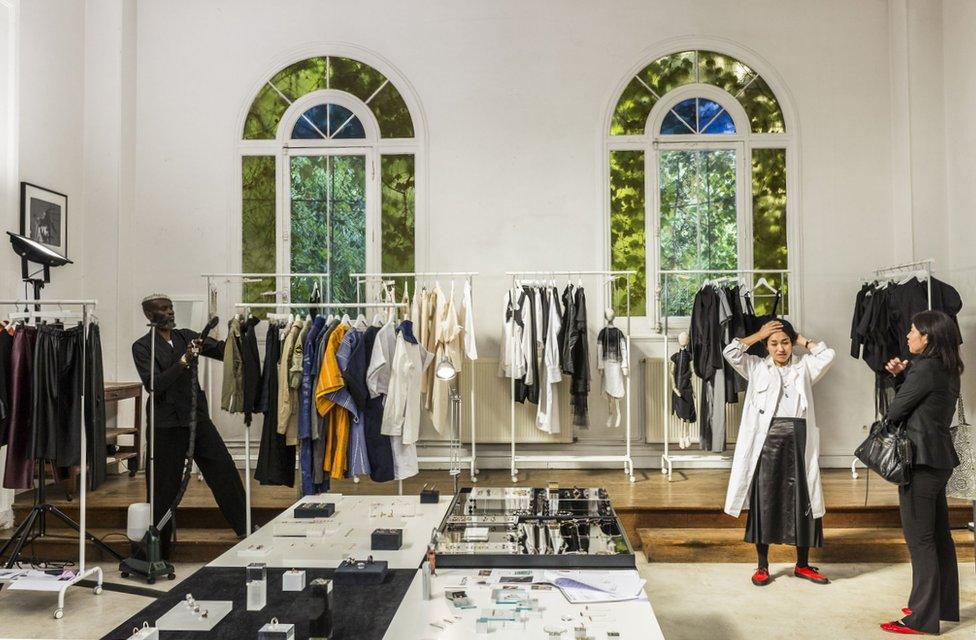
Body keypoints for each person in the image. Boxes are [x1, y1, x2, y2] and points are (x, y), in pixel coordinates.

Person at [131, 294, 247, 559]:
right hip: (166, 424)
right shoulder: (142, 347)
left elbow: (220, 351)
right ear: (150, 316)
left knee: (223, 468)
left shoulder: (186, 336)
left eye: (171, 308)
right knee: (163, 486)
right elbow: (155, 384)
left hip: (196, 418)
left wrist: (240, 334)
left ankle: (245, 525)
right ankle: (159, 549)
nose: (170, 312)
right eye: (163, 309)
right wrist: (184, 361)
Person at [722, 318, 835, 586]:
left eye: (785, 343)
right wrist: (758, 333)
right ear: (766, 346)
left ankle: (803, 565)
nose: (780, 348)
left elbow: (828, 354)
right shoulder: (756, 367)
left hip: (799, 440)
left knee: (802, 500)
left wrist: (800, 339)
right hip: (766, 443)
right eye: (774, 343)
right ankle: (762, 566)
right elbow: (730, 352)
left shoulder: (804, 366)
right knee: (764, 500)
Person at [879, 310, 961, 635]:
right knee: (940, 537)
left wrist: (901, 381)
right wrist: (903, 376)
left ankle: (920, 618)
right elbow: (923, 406)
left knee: (920, 540)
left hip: (920, 462)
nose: (909, 336)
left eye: (913, 331)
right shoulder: (947, 367)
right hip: (938, 461)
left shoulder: (923, 368)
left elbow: (895, 412)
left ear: (927, 337)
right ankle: (942, 606)